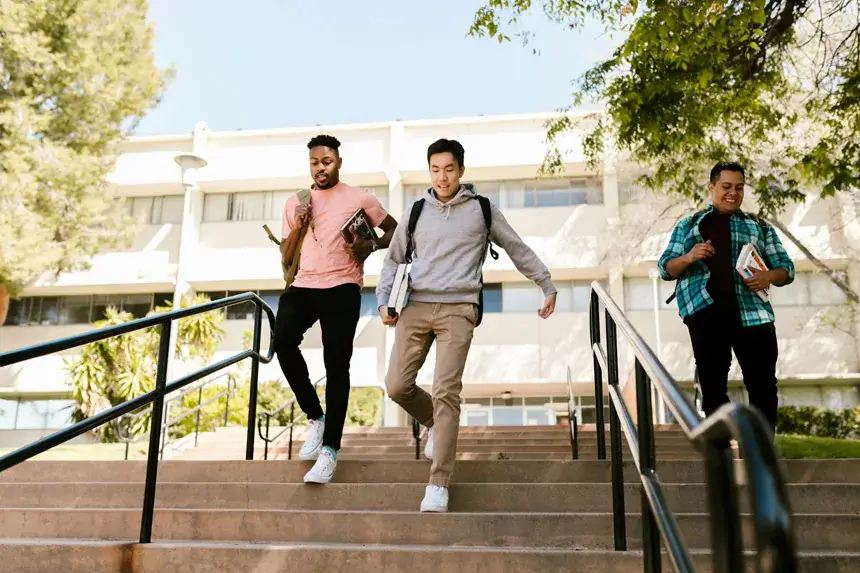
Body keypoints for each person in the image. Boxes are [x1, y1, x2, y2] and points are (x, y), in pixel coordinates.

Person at [376, 138, 557, 513]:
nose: (442, 177)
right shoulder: (416, 211)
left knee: (446, 392)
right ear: (429, 171)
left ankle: (438, 482)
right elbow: (392, 261)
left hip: (459, 308)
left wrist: (546, 283)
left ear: (461, 170)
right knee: (396, 386)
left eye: (449, 169)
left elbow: (516, 247)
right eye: (435, 169)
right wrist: (383, 300)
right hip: (415, 305)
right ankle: (435, 426)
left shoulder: (482, 210)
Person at [276, 134, 398, 484]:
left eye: (327, 161)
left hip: (343, 287)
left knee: (336, 364)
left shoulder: (359, 197)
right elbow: (286, 257)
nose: (321, 168)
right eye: (315, 162)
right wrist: (298, 225)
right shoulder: (295, 202)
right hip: (303, 285)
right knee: (283, 341)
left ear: (339, 162)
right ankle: (316, 417)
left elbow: (394, 231)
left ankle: (330, 450)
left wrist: (370, 246)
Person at [658, 161, 795, 432]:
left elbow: (786, 269)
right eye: (726, 186)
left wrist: (768, 276)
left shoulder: (759, 227)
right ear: (712, 187)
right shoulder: (690, 225)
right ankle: (722, 455)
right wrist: (690, 256)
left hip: (753, 313)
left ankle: (761, 453)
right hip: (706, 311)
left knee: (763, 386)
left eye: (739, 188)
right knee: (713, 385)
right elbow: (666, 268)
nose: (733, 193)